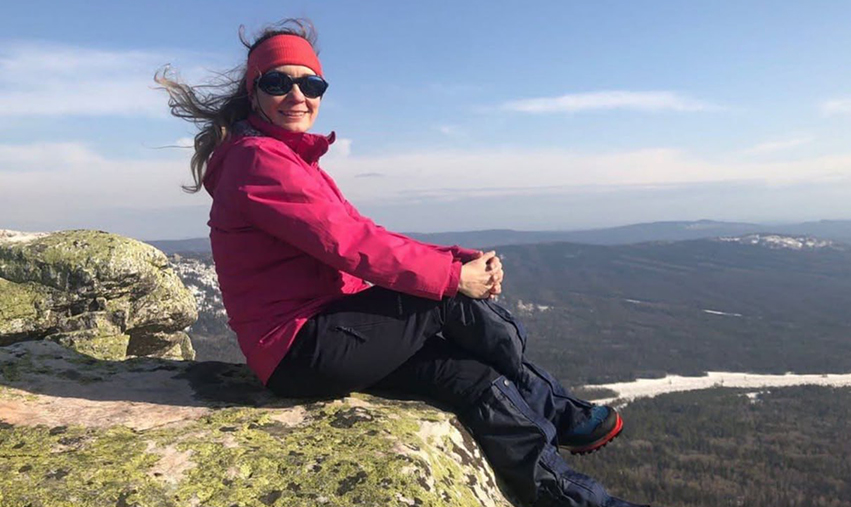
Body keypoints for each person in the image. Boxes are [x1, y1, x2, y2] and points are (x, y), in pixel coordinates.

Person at [157, 18, 647, 507]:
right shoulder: (258, 161)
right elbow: (351, 243)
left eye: (311, 84)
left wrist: (453, 260)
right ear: (254, 91)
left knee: (470, 377)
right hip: (301, 346)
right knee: (449, 302)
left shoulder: (284, 159)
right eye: (278, 82)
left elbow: (362, 231)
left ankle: (578, 499)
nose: (297, 96)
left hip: (323, 338)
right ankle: (559, 411)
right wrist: (455, 278)